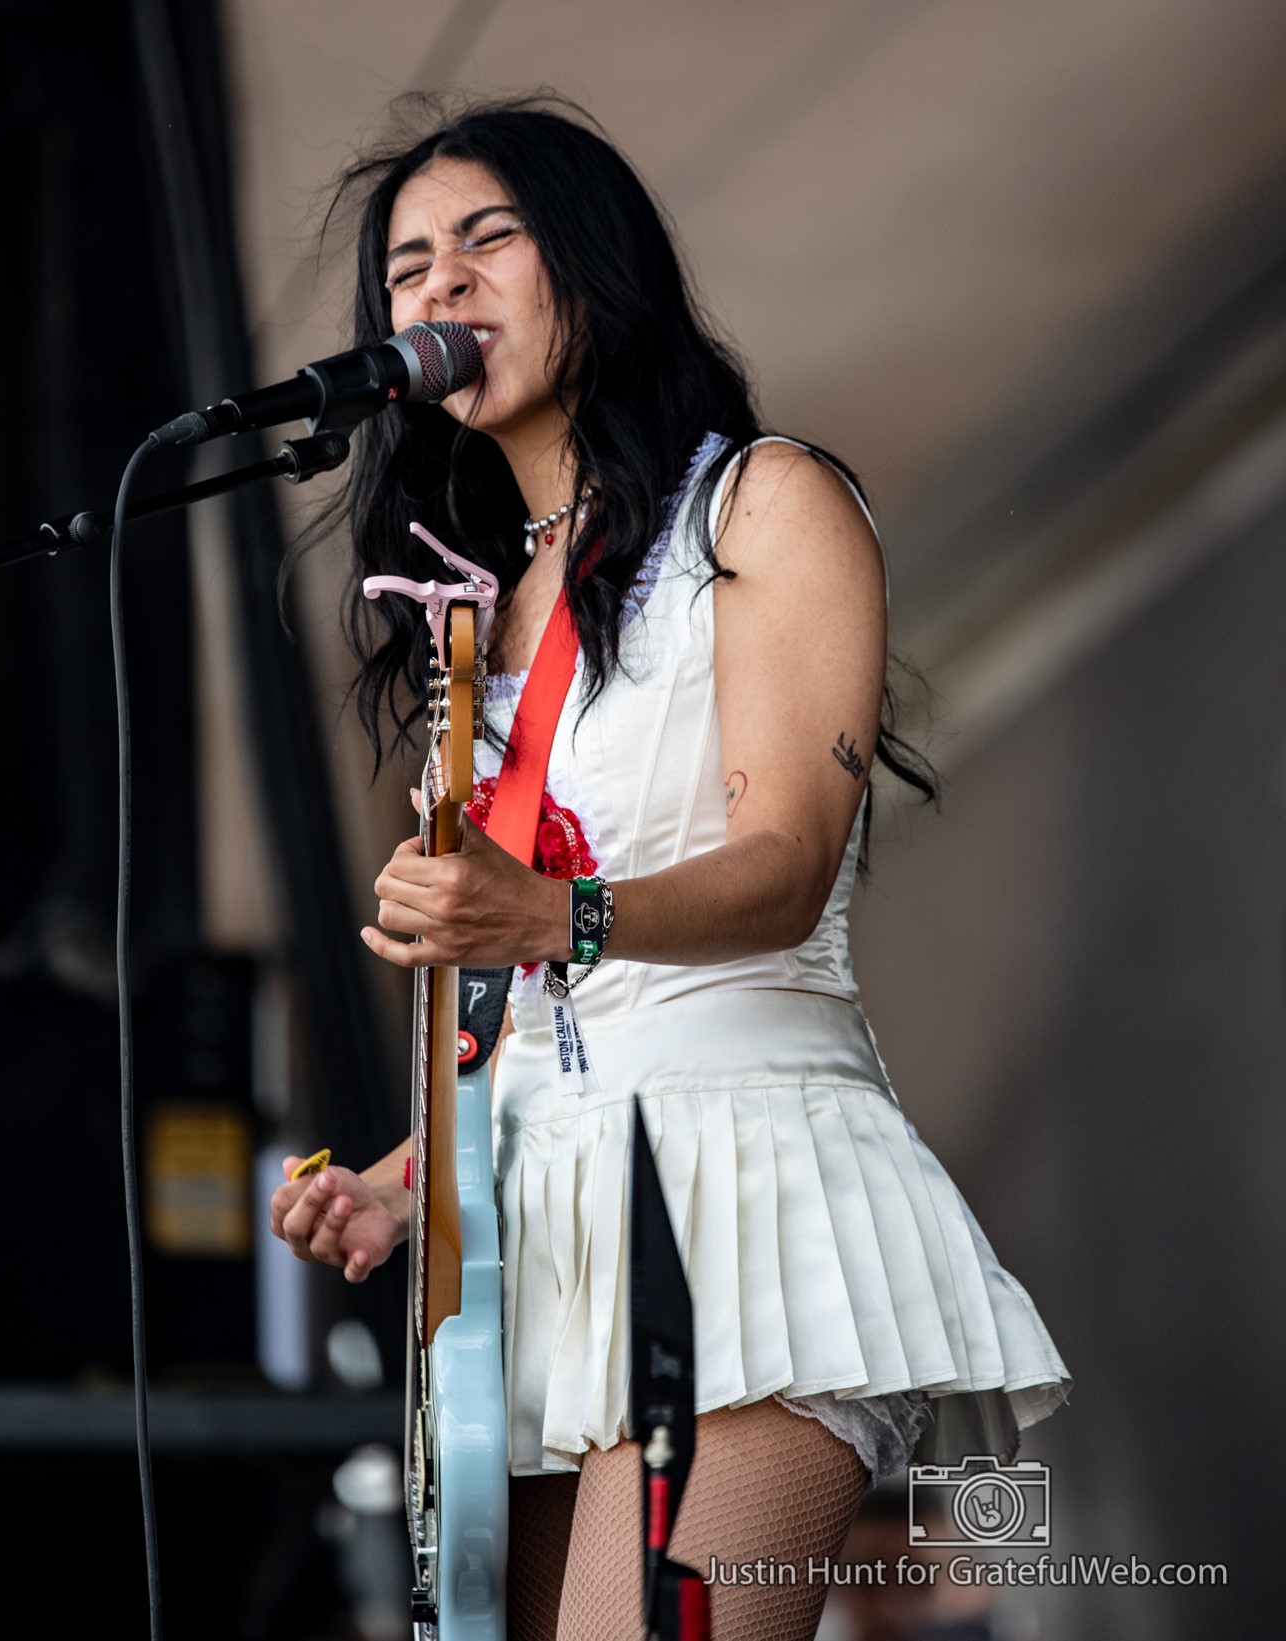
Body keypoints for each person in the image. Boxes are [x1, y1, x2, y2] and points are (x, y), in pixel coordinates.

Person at [269, 97, 1070, 1641]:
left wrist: (543, 908)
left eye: (488, 240)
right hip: (551, 1230)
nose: (439, 290)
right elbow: (560, 1021)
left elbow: (783, 865)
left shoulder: (763, 503)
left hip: (753, 1192)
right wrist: (405, 1179)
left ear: (596, 264)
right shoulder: (478, 618)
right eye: (408, 270)